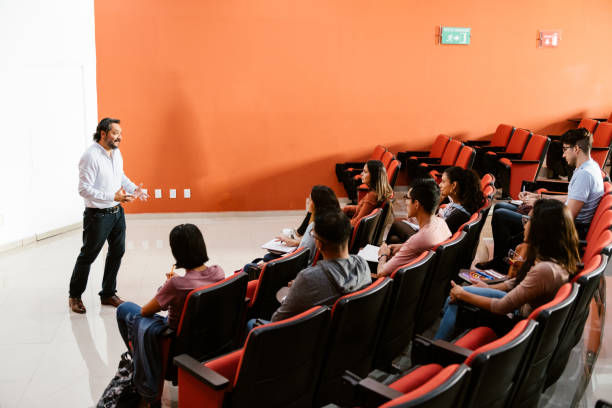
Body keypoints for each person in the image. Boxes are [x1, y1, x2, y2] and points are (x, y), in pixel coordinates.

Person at [434, 199, 580, 341]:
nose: (524, 225)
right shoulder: (552, 258)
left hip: (518, 323)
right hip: (519, 309)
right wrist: (488, 286)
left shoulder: (545, 270)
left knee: (456, 298)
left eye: (528, 220)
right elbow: (517, 282)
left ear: (540, 229)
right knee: (459, 294)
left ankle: (435, 352)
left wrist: (463, 294)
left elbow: (502, 307)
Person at [477, 128, 603, 273]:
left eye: (565, 149)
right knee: (500, 208)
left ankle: (503, 265)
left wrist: (539, 209)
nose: (562, 154)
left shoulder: (585, 174)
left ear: (576, 149)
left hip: (570, 228)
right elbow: (571, 197)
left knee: (501, 216)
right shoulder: (587, 167)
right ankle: (504, 259)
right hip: (568, 222)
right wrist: (539, 197)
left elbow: (569, 215)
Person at [69, 118, 149, 314]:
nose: (119, 137)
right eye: (115, 133)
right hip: (97, 215)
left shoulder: (116, 152)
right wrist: (112, 196)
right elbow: (84, 189)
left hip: (117, 213)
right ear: (103, 133)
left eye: (120, 133)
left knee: (117, 252)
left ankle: (107, 293)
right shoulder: (90, 156)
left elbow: (119, 175)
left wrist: (133, 189)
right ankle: (74, 296)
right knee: (88, 256)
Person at [249, 210, 371, 327]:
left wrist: (298, 288)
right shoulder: (363, 265)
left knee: (252, 322)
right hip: (342, 336)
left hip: (304, 341)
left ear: (319, 243)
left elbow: (277, 320)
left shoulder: (308, 278)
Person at [116, 224, 225, 348]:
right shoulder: (218, 271)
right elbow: (193, 283)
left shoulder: (175, 285)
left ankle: (135, 356)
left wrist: (166, 286)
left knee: (124, 308)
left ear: (177, 252)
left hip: (177, 338)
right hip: (207, 332)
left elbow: (145, 311)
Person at [375, 179, 451, 278]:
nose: (405, 202)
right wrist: (403, 246)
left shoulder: (419, 239)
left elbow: (381, 273)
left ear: (416, 204)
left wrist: (383, 255)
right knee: (394, 239)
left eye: (407, 197)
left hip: (402, 286)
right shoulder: (441, 223)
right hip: (427, 278)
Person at [387, 167, 485, 242]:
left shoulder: (458, 214)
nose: (439, 185)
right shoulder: (455, 204)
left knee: (396, 225)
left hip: (429, 244)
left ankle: (380, 256)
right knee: (394, 238)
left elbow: (437, 236)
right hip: (430, 237)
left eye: (443, 181)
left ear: (454, 185)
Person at [272, 185, 340, 265]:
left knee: (268, 257)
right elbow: (310, 245)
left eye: (310, 200)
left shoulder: (315, 226)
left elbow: (302, 253)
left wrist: (274, 262)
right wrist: (294, 242)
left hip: (303, 266)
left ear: (315, 204)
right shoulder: (337, 219)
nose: (308, 202)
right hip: (316, 263)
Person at [342, 160, 393, 227]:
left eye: (365, 172)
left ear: (374, 175)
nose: (361, 174)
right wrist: (345, 209)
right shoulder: (376, 193)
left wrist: (339, 224)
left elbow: (357, 223)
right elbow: (361, 208)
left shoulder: (372, 196)